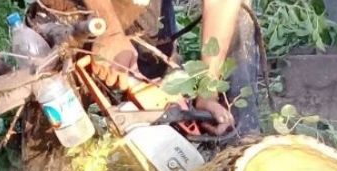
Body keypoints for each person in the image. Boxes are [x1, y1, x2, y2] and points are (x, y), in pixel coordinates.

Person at [27, 0, 260, 137]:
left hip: (142, 6)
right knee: (57, 114)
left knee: (157, 92)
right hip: (74, 8)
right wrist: (110, 32)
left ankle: (241, 137)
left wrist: (207, 88)